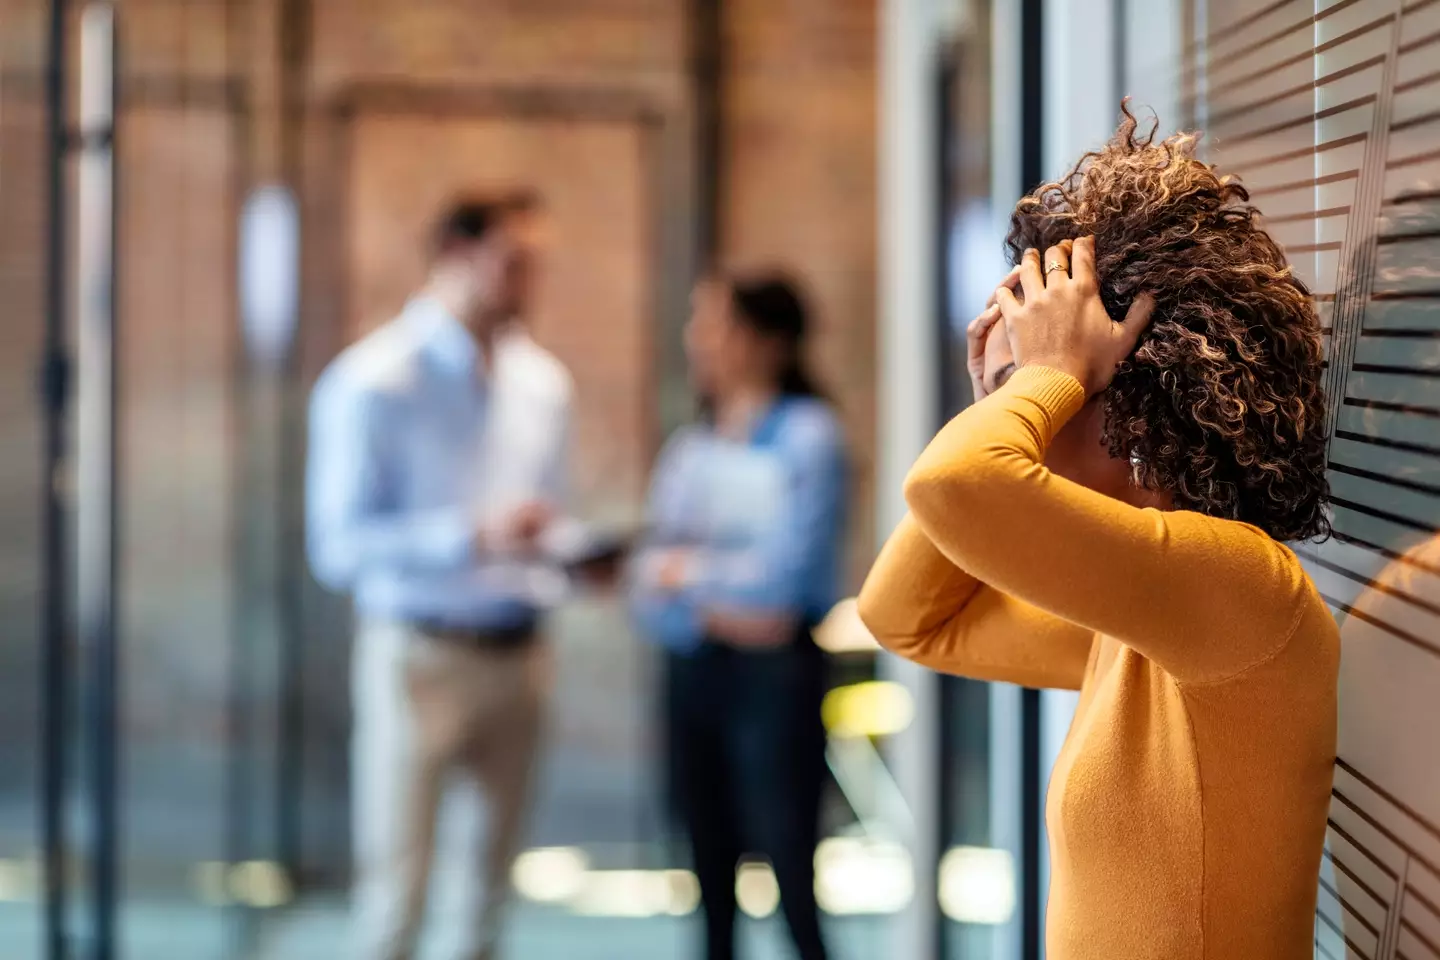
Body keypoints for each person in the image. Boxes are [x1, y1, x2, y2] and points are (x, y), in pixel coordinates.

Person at [858, 110, 1340, 960]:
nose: (1022, 419)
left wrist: (1039, 379)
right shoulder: (1142, 620)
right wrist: (1007, 399)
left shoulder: (1239, 589)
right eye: (1009, 395)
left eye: (1044, 385)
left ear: (1131, 389)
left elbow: (954, 484)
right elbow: (906, 618)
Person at [306, 193, 573, 960]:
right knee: (397, 894)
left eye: (535, 267)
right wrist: (467, 536)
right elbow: (338, 547)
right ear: (456, 257)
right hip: (417, 657)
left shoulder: (542, 384)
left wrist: (572, 556)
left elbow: (548, 516)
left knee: (486, 898)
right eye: (512, 264)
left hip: (520, 656)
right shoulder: (373, 382)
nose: (528, 284)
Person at [630, 273, 846, 960]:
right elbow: (644, 581)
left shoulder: (811, 438)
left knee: (788, 863)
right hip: (698, 673)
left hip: (776, 681)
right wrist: (724, 601)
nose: (699, 341)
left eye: (715, 324)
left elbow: (787, 587)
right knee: (706, 865)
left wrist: (686, 577)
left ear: (764, 342)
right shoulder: (691, 448)